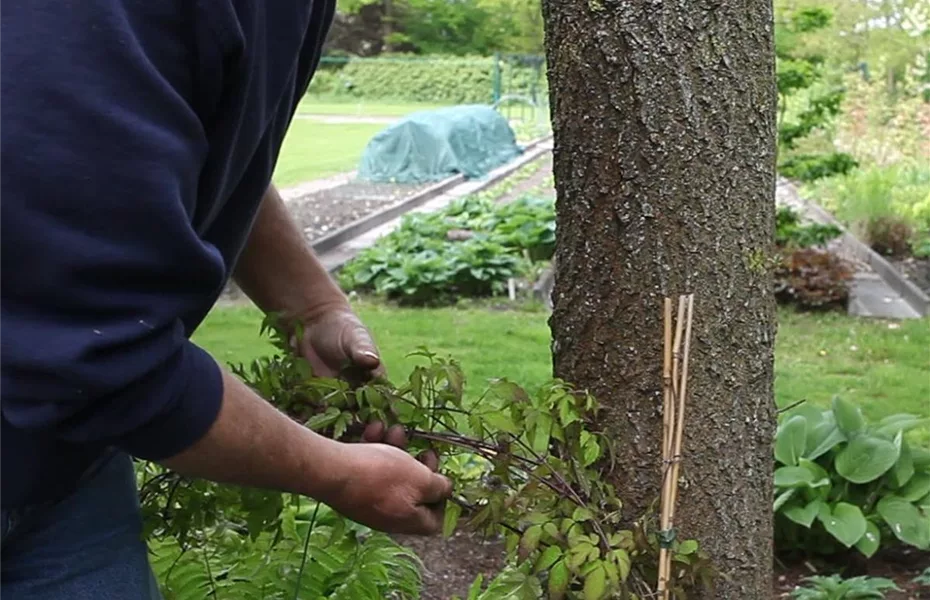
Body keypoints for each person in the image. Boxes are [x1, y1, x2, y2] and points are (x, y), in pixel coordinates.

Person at [0, 2, 453, 598]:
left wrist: (312, 307)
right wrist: (338, 476)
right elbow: (95, 346)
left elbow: (162, 143)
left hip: (60, 463)